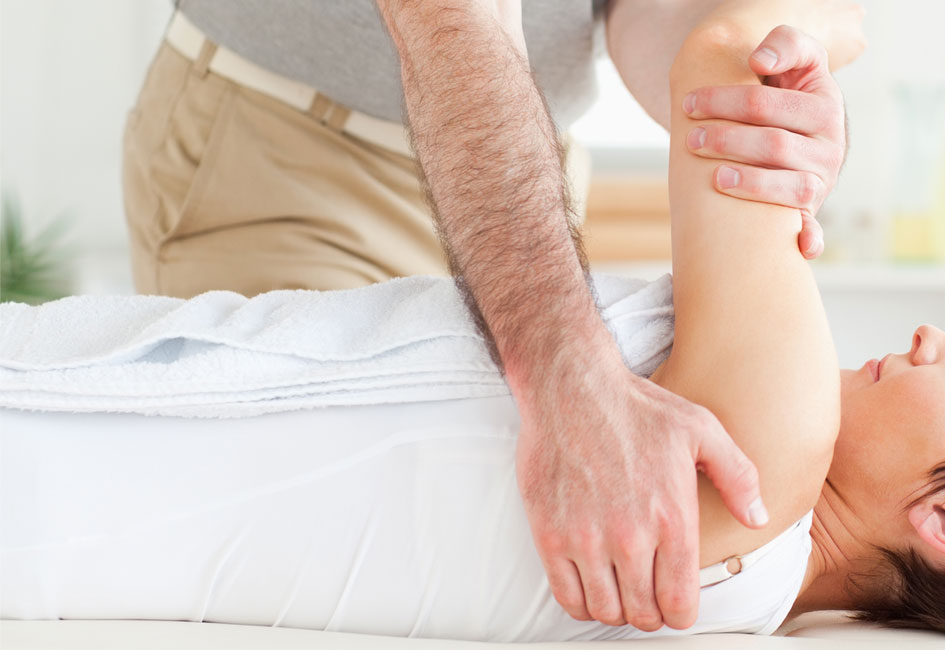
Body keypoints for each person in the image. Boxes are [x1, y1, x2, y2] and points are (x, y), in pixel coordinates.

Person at [2, 2, 945, 641]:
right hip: (295, 112)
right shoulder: (741, 591)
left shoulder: (772, 443)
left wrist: (823, 55)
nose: (928, 340)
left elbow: (719, 35)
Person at [120, 0, 862, 630]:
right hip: (293, 146)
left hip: (517, 160)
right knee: (303, 550)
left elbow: (649, 18)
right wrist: (568, 375)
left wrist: (769, 100)